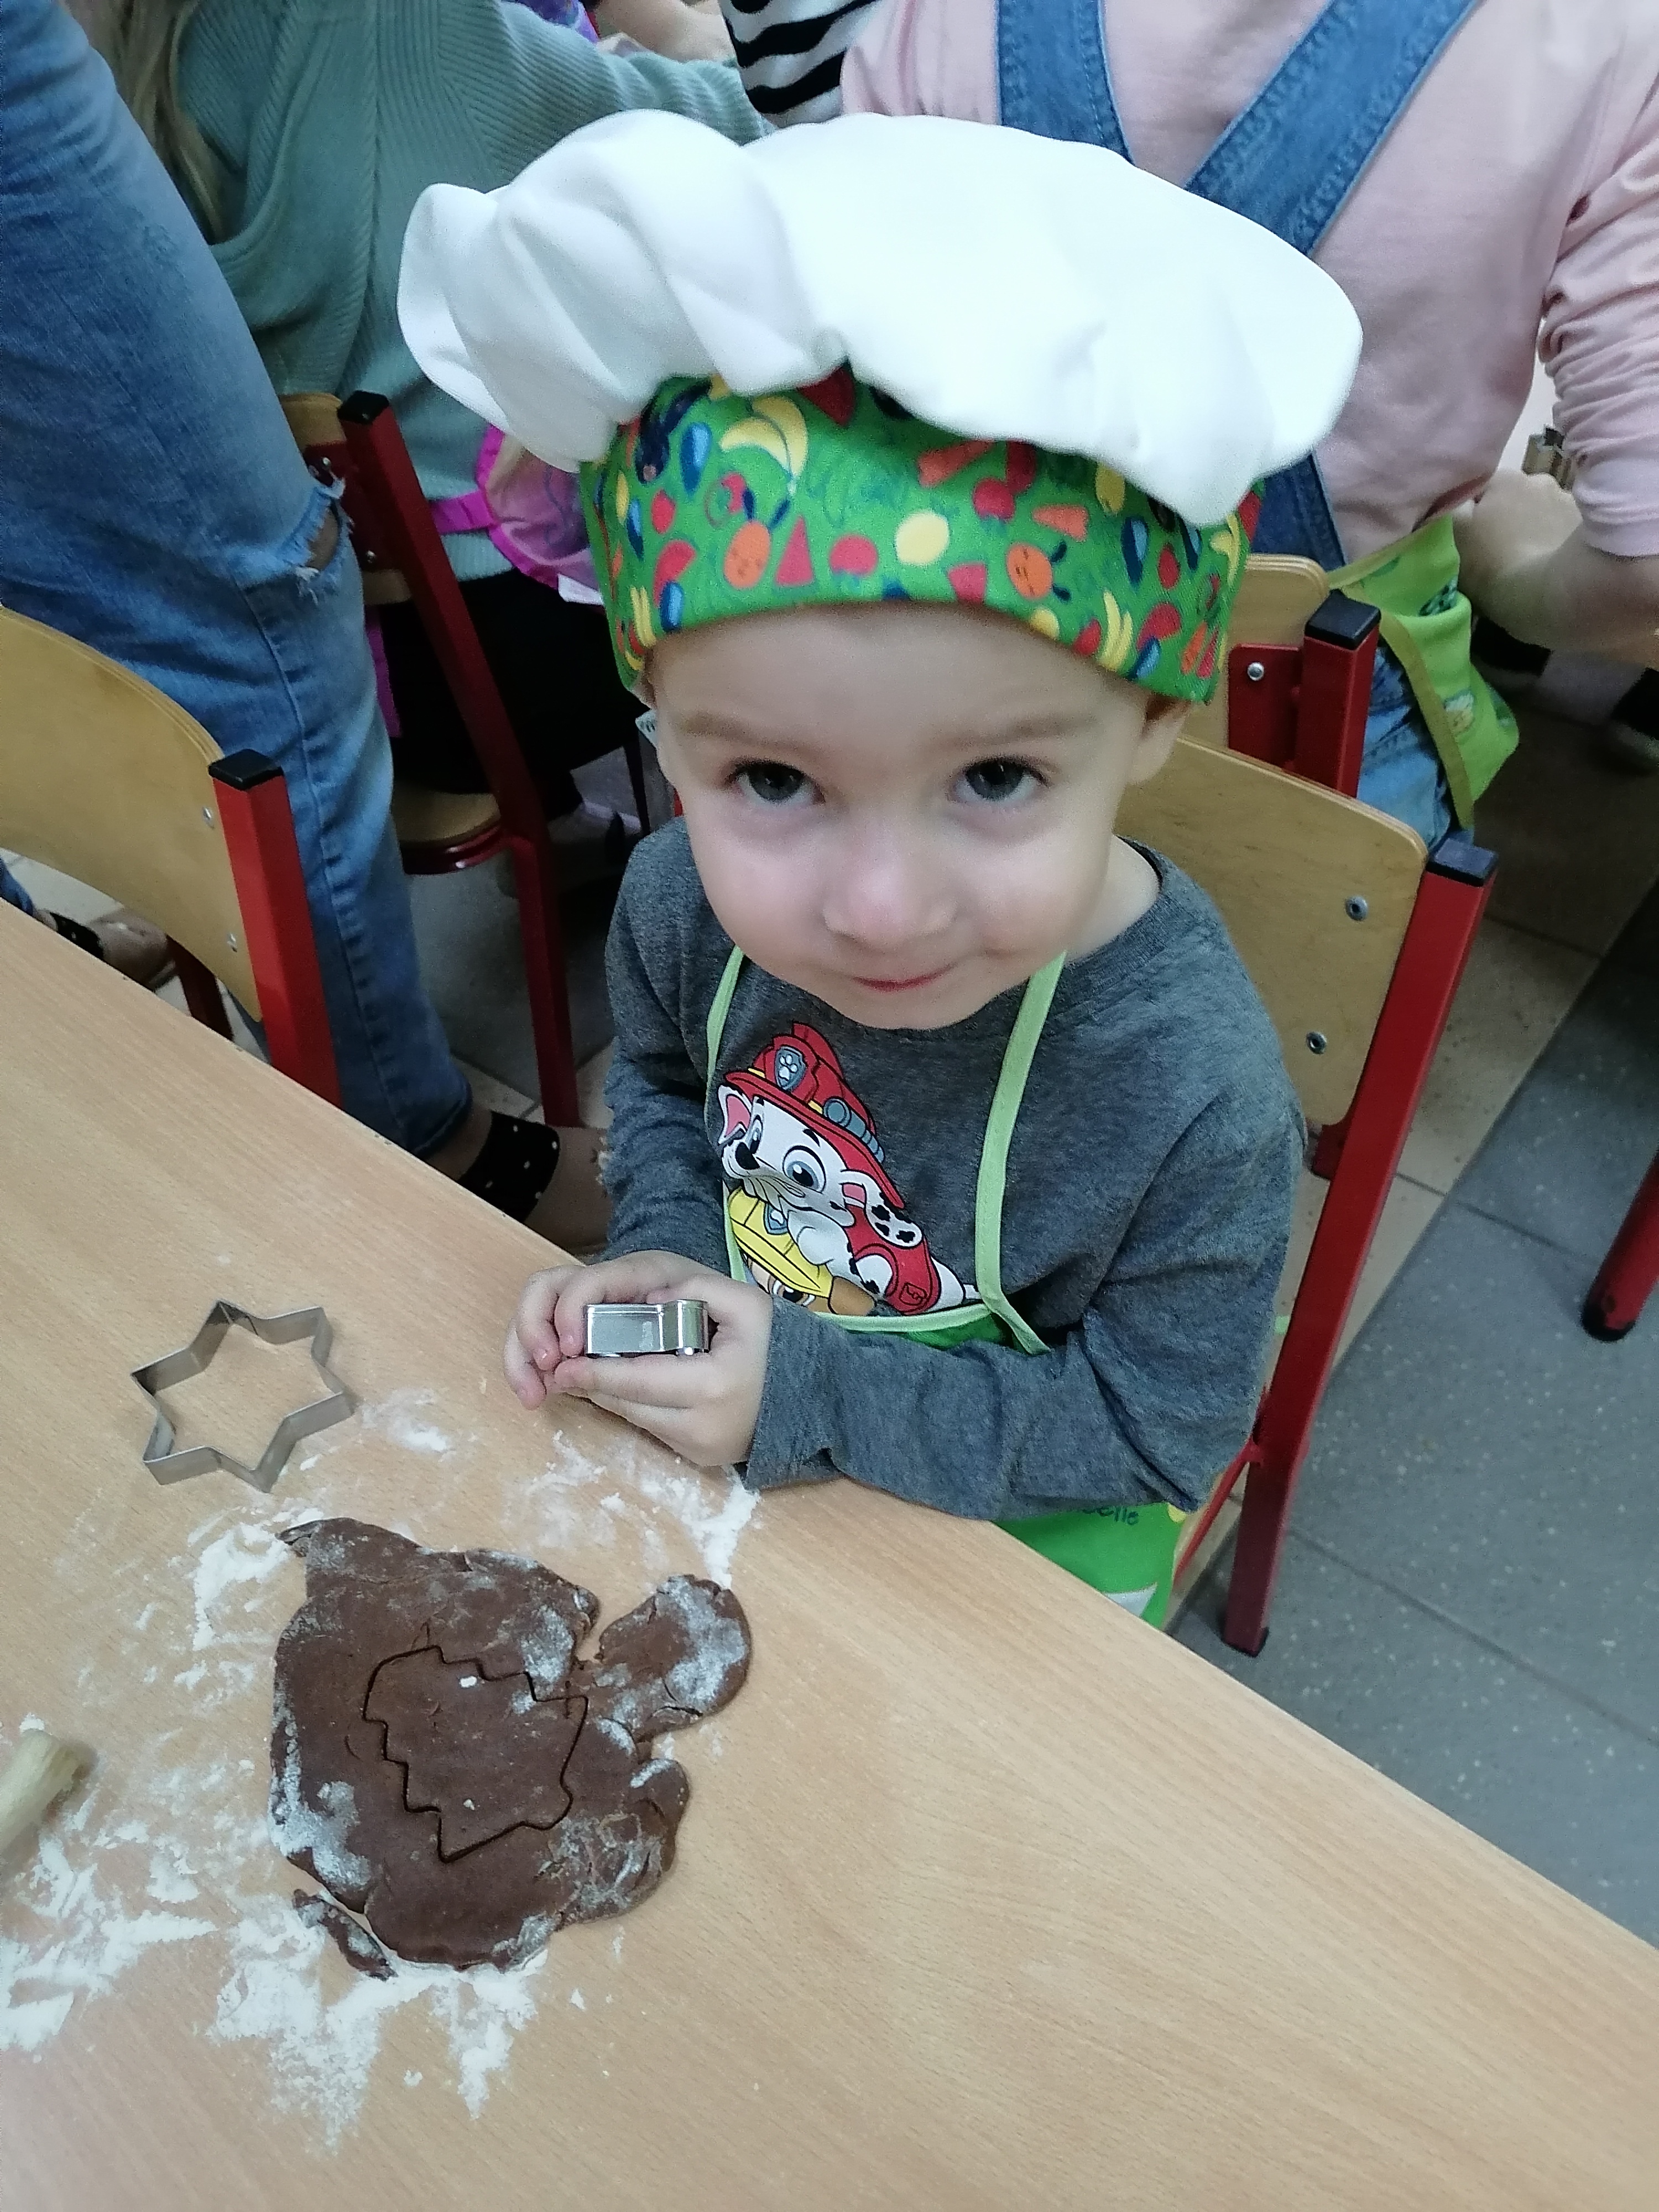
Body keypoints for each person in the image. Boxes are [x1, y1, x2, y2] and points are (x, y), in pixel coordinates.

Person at [399, 113, 1364, 1621]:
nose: (879, 908)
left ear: (1157, 712)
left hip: (1009, 1560)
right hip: (744, 1451)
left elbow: (1155, 1431)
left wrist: (806, 1390)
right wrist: (669, 1267)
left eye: (996, 777)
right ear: (661, 719)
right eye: (773, 780)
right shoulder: (678, 906)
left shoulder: (1189, 1091)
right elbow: (665, 1089)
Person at [717, 0, 1659, 851]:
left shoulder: (941, 18)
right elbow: (1646, 572)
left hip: (949, 714)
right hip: (1321, 730)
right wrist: (1513, 576)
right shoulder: (1597, 37)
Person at [0, 0, 604, 1243]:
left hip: (409, 668)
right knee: (268, 591)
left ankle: (47, 959)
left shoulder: (159, 59)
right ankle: (422, 1144)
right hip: (472, 671)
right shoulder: (372, 30)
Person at [97, 0, 764, 844]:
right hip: (515, 668)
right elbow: (751, 134)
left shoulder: (129, 64)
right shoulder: (397, 26)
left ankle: (578, 837)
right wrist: (695, 40)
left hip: (329, 668)